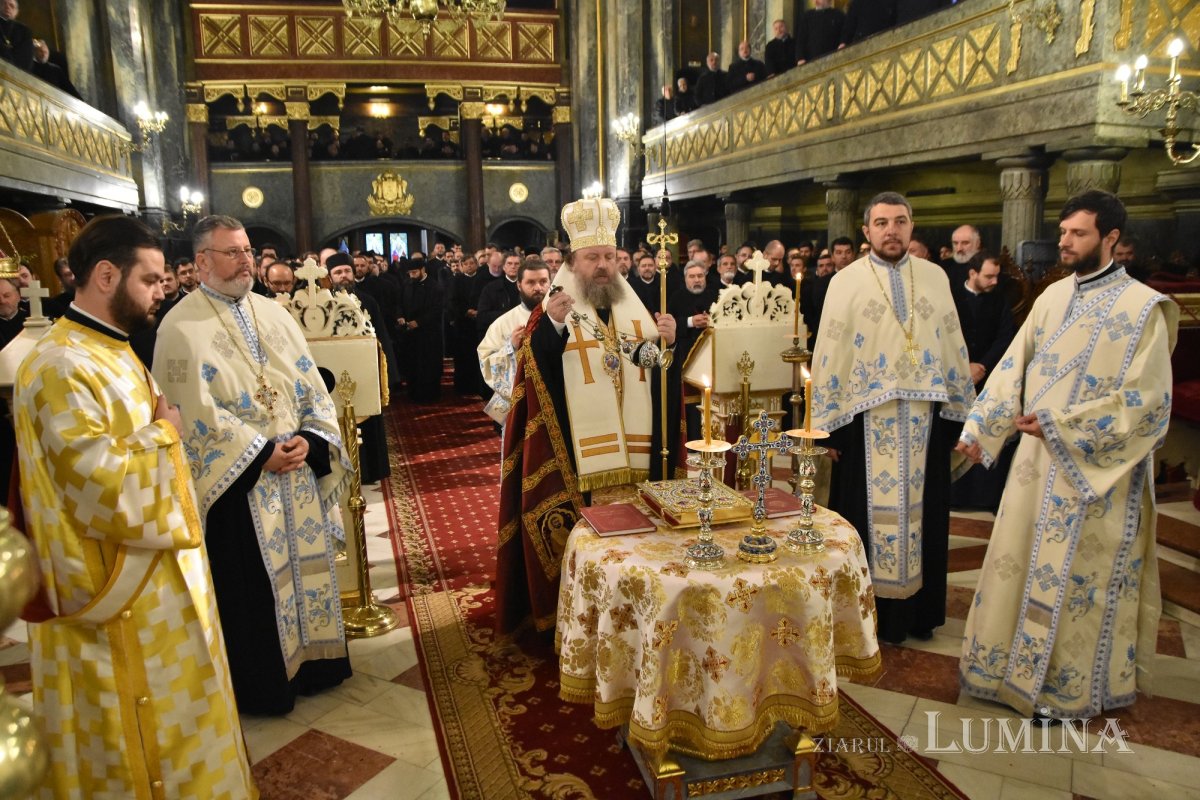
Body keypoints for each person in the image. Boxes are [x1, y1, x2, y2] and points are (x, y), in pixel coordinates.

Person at [13, 215, 256, 797]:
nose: (160, 290)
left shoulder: (110, 348)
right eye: (149, 280)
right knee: (137, 734)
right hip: (113, 589)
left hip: (154, 573)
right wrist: (166, 434)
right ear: (105, 276)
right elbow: (96, 484)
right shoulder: (61, 365)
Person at [955, 190, 1178, 720]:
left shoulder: (1143, 309)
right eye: (1063, 233)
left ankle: (1066, 689)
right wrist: (980, 428)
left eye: (1078, 233)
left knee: (1081, 585)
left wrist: (1063, 426)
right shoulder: (1053, 297)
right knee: (1017, 564)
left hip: (1097, 474)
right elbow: (1013, 366)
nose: (1066, 242)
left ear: (1111, 237)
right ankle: (1003, 673)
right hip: (1035, 467)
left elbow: (1148, 403)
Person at [152, 214, 353, 715]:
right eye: (232, 252)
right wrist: (262, 453)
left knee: (306, 574)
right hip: (241, 482)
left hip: (296, 469)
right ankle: (267, 685)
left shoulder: (274, 313)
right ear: (202, 262)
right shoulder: (179, 326)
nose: (246, 261)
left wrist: (310, 438)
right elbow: (191, 411)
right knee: (254, 587)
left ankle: (317, 665)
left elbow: (311, 384)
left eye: (247, 250)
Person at [494, 195, 680, 634]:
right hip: (577, 462)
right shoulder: (552, 309)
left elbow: (656, 375)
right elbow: (534, 382)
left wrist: (670, 344)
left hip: (638, 460)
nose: (603, 266)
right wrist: (553, 329)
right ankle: (582, 616)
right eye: (592, 257)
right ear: (573, 262)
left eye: (609, 257)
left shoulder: (636, 308)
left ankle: (641, 611)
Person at [810, 191, 974, 644]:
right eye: (881, 223)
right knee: (861, 517)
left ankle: (919, 615)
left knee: (925, 518)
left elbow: (952, 343)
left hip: (926, 423)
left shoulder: (935, 277)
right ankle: (866, 616)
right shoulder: (845, 282)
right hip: (863, 423)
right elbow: (830, 353)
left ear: (911, 226)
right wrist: (827, 431)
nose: (891, 230)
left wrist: (959, 417)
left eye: (900, 221)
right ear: (867, 231)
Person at [949, 252, 1016, 511]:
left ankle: (982, 497)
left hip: (989, 379)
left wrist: (983, 366)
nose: (994, 281)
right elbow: (945, 335)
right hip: (955, 378)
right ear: (972, 273)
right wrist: (963, 366)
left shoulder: (1000, 300)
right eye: (988, 276)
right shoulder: (952, 297)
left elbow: (1005, 337)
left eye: (997, 276)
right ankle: (955, 495)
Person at [478, 259, 551, 425]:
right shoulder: (503, 323)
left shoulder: (563, 317)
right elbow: (486, 362)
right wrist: (510, 347)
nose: (538, 288)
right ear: (519, 285)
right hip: (520, 404)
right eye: (530, 282)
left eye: (543, 281)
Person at [398, 255, 445, 402]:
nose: (412, 276)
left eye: (414, 272)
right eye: (410, 273)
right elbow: (399, 303)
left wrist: (419, 322)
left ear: (423, 270)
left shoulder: (435, 287)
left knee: (428, 366)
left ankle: (430, 395)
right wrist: (400, 316)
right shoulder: (407, 284)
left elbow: (436, 310)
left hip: (428, 334)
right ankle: (413, 394)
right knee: (412, 365)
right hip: (411, 334)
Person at [796, 0, 845, 65]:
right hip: (811, 60)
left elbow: (844, 34)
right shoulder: (807, 16)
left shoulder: (838, 15)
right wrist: (800, 57)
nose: (816, 1)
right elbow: (801, 39)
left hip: (833, 58)